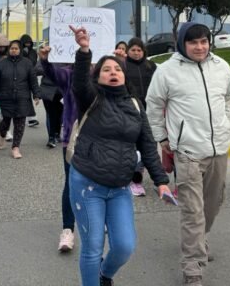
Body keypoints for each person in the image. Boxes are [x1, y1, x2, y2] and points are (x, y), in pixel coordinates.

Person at [68, 26, 172, 286]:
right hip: (87, 184)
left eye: (117, 69)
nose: (113, 72)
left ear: (124, 76)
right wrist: (83, 50)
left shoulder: (135, 105)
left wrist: (160, 182)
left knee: (125, 246)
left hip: (119, 187)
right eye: (106, 70)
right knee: (92, 248)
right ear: (98, 76)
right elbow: (79, 81)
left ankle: (105, 275)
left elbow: (148, 145)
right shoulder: (91, 98)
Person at [146, 21, 230, 285]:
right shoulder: (167, 71)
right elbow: (153, 106)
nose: (199, 47)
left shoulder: (221, 67)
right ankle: (192, 267)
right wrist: (162, 138)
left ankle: (199, 238)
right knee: (192, 211)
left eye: (204, 41)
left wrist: (220, 122)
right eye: (193, 42)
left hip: (218, 147)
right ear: (182, 44)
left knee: (213, 204)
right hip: (187, 151)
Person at [38, 45, 78, 253]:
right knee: (71, 181)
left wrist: (121, 62)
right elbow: (53, 74)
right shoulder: (70, 75)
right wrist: (45, 60)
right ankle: (68, 230)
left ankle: (100, 224)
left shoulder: (104, 72)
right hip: (73, 137)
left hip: (101, 139)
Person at [0, 39, 40, 158]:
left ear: (20, 50)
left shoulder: (27, 63)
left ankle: (15, 148)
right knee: (2, 123)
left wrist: (36, 95)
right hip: (3, 99)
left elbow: (33, 80)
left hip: (22, 99)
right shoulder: (1, 63)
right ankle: (2, 135)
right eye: (12, 48)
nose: (14, 50)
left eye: (16, 48)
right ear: (9, 49)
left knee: (20, 125)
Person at [123, 37, 158, 197]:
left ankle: (138, 176)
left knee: (146, 145)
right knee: (132, 146)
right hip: (129, 111)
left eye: (139, 50)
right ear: (127, 51)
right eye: (133, 50)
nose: (136, 53)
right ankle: (132, 179)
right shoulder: (123, 66)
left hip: (150, 111)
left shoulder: (151, 66)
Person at [36, 57, 63, 148]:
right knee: (51, 114)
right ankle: (51, 137)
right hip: (47, 89)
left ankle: (57, 134)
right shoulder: (47, 56)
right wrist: (49, 69)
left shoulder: (66, 56)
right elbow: (37, 70)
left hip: (62, 90)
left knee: (60, 114)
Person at [20, 33, 40, 127]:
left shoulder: (33, 52)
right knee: (23, 98)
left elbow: (32, 62)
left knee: (27, 97)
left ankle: (31, 118)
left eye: (29, 43)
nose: (27, 45)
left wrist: (27, 53)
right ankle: (30, 118)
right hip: (20, 77)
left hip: (30, 76)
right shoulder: (19, 51)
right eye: (25, 43)